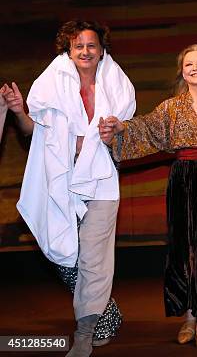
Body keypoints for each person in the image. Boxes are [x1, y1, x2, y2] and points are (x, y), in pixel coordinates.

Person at [99, 44, 197, 348]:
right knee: (185, 249)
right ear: (182, 72)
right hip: (184, 182)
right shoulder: (171, 108)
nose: (195, 68)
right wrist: (121, 127)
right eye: (189, 65)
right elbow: (144, 129)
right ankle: (188, 315)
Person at [16, 20, 136, 357]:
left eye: (91, 45)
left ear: (101, 50)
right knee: (66, 254)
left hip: (100, 179)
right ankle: (106, 314)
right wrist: (16, 111)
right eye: (78, 45)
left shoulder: (116, 84)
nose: (85, 51)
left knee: (95, 260)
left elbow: (128, 128)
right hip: (61, 179)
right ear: (68, 50)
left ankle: (83, 333)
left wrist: (119, 127)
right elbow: (32, 128)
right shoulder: (51, 83)